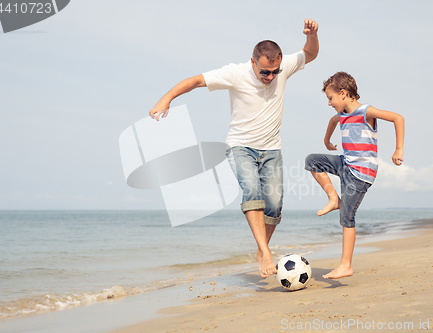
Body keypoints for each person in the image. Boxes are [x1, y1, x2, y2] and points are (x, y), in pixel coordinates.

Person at [149, 19, 319, 278]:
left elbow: (310, 53)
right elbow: (196, 80)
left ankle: (262, 249)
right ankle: (265, 251)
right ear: (253, 63)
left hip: (272, 149)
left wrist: (312, 35)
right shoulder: (235, 73)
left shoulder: (282, 69)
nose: (270, 77)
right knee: (252, 191)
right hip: (241, 147)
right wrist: (166, 98)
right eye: (265, 72)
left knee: (274, 205)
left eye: (275, 71)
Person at [304, 71, 404, 279]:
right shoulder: (341, 114)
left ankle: (346, 265)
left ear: (343, 93)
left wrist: (398, 149)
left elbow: (397, 118)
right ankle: (333, 198)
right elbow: (332, 122)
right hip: (345, 163)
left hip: (360, 174)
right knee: (312, 161)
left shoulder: (366, 111)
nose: (329, 103)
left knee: (347, 217)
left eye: (330, 98)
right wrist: (327, 142)